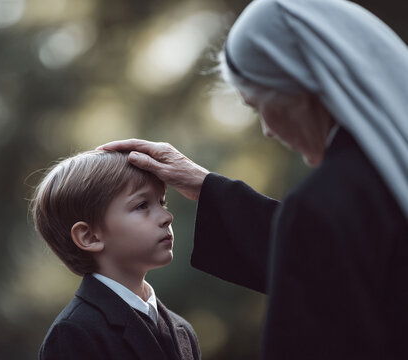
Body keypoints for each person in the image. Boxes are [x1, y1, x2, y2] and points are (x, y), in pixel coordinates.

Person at [98, 0, 408, 358]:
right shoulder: (376, 183)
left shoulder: (328, 202)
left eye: (259, 106)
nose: (268, 130)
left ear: (298, 91)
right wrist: (207, 187)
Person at [30, 150, 201, 360]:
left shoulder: (182, 330)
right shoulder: (74, 332)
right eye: (142, 205)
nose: (167, 216)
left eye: (162, 202)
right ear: (89, 236)